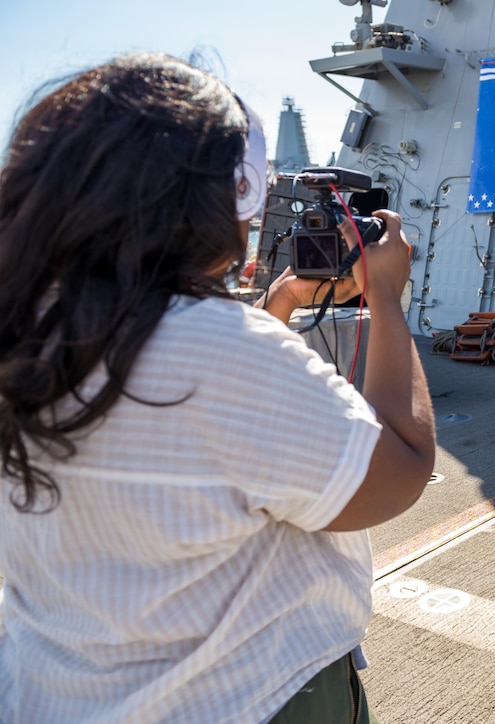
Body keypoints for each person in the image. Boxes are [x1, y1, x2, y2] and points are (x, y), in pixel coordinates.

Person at [0, 53, 435, 722]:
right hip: (247, 696)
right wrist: (386, 298)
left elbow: (213, 428)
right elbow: (401, 466)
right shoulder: (217, 352)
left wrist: (282, 303)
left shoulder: (27, 330)